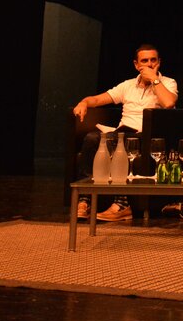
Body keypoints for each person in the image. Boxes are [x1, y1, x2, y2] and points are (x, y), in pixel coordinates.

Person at [73, 44, 177, 222]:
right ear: (136, 65)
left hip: (147, 137)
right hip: (121, 134)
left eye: (153, 60)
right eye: (144, 61)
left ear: (159, 62)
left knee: (116, 140)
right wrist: (84, 102)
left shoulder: (168, 83)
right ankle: (85, 199)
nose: (149, 64)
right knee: (92, 138)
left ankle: (122, 205)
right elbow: (98, 99)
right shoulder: (127, 86)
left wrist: (154, 79)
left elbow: (168, 103)